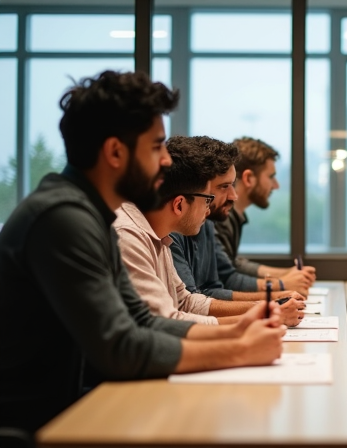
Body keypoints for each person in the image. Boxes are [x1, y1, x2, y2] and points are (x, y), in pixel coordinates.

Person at [0, 70, 286, 433]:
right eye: (156, 147)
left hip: (70, 412)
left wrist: (237, 330)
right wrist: (240, 351)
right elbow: (121, 348)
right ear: (115, 152)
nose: (166, 161)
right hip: (38, 425)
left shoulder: (91, 214)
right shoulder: (64, 218)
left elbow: (145, 321)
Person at [114, 134, 303, 327]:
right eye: (207, 199)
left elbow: (186, 301)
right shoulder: (128, 235)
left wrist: (264, 309)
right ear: (179, 204)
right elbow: (164, 323)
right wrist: (261, 317)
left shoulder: (159, 236)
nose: (208, 208)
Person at [169, 136, 306, 323]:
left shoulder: (206, 220)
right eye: (225, 186)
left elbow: (208, 289)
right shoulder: (170, 229)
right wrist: (269, 304)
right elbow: (191, 302)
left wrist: (272, 301)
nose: (234, 195)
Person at [212, 136, 316, 295]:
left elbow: (232, 264)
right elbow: (226, 277)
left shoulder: (233, 216)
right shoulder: (220, 217)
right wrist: (282, 284)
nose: (276, 185)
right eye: (271, 176)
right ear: (248, 178)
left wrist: (286, 274)